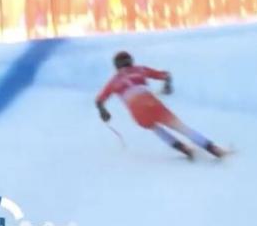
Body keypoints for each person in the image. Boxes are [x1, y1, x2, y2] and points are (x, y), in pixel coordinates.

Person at [95, 51, 227, 159]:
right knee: (180, 127)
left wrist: (103, 111)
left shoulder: (113, 81)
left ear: (116, 66)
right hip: (152, 103)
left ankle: (181, 147)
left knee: (154, 128)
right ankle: (212, 148)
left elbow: (99, 100)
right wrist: (167, 86)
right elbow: (165, 75)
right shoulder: (140, 69)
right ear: (131, 61)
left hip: (137, 113)